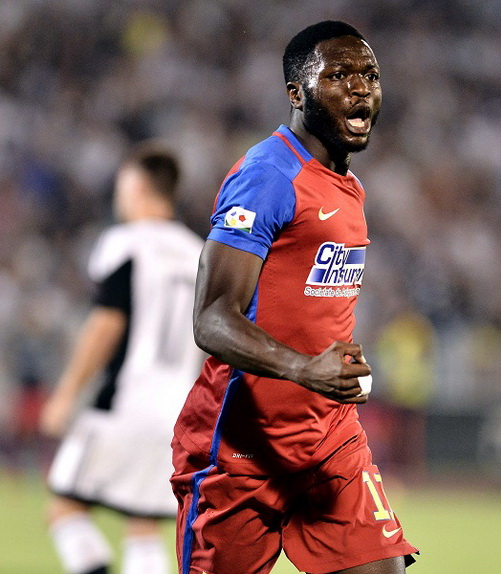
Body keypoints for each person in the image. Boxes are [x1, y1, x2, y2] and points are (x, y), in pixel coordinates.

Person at [171, 20, 418, 574]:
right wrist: (304, 368)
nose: (360, 88)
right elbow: (211, 318)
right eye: (339, 75)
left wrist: (329, 370)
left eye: (370, 75)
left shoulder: (349, 187)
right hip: (240, 450)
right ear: (297, 93)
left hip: (329, 439)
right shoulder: (267, 176)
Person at [40, 143, 205, 574]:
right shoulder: (198, 254)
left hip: (124, 402)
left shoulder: (125, 242)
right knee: (143, 525)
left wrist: (66, 393)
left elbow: (106, 323)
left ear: (136, 186)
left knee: (64, 509)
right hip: (174, 413)